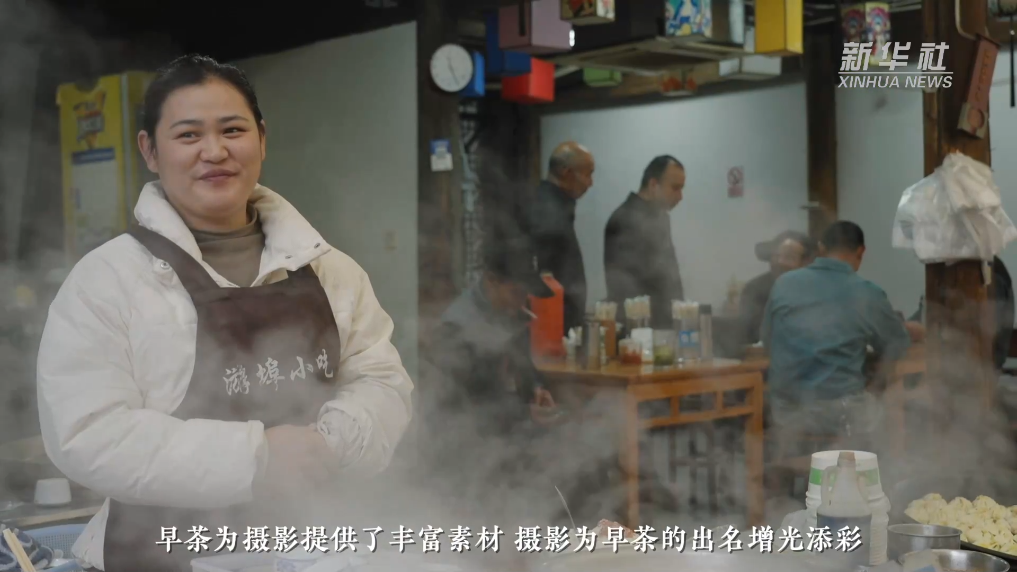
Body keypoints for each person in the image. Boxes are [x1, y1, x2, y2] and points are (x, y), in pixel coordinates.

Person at [35, 55, 413, 572]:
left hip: (316, 547)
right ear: (150, 150)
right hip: (159, 556)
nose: (214, 151)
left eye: (232, 130)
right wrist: (256, 457)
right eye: (188, 135)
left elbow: (382, 381)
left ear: (262, 138)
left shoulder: (331, 271)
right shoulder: (107, 281)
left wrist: (333, 441)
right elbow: (87, 434)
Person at [762, 221, 922, 451]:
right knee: (893, 404)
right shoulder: (866, 292)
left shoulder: (783, 284)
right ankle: (886, 469)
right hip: (839, 412)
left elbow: (767, 339)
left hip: (785, 412)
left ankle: (798, 466)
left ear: (821, 248)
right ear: (861, 252)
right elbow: (897, 344)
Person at [604, 155, 686, 328]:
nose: (680, 196)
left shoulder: (660, 218)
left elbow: (668, 276)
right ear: (653, 185)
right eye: (675, 188)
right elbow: (623, 287)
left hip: (667, 325)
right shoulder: (624, 219)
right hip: (638, 329)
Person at [525, 141, 595, 334]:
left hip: (563, 320)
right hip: (553, 324)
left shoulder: (558, 205)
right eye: (588, 174)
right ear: (566, 172)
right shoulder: (547, 210)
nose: (590, 183)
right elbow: (543, 278)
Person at [739, 231, 816, 345]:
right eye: (775, 255)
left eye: (789, 257)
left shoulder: (815, 288)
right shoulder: (755, 288)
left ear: (806, 262)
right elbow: (752, 331)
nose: (780, 261)